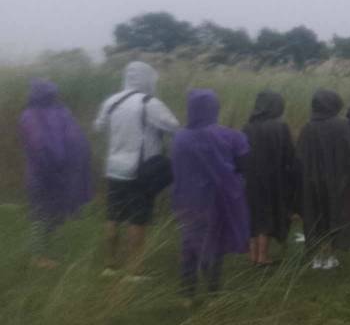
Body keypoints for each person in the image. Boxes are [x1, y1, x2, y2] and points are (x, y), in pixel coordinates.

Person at [93, 61, 179, 279]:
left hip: (113, 167)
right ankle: (135, 269)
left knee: (113, 216)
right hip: (139, 170)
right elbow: (174, 127)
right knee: (137, 218)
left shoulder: (112, 101)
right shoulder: (149, 102)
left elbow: (98, 127)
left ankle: (110, 265)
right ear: (147, 78)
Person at [171, 90, 250, 304]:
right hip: (219, 198)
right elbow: (244, 166)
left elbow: (176, 169)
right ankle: (213, 294)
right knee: (214, 244)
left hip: (188, 198)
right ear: (215, 108)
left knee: (189, 243)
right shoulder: (231, 136)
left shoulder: (180, 137)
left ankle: (187, 294)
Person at [17, 79, 93, 269]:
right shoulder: (48, 114)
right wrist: (63, 164)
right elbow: (39, 144)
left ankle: (47, 252)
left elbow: (73, 139)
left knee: (51, 213)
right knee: (42, 214)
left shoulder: (34, 114)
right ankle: (38, 256)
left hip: (48, 172)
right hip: (44, 173)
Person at [297, 89, 350, 270]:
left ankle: (319, 256)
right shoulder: (342, 124)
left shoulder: (307, 127)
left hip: (312, 181)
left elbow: (300, 157)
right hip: (338, 180)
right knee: (336, 214)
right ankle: (330, 255)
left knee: (316, 215)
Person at [241, 91, 301, 266]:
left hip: (251, 178)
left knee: (254, 214)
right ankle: (263, 257)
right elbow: (289, 154)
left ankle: (252, 255)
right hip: (273, 178)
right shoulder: (279, 127)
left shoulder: (247, 127)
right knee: (268, 214)